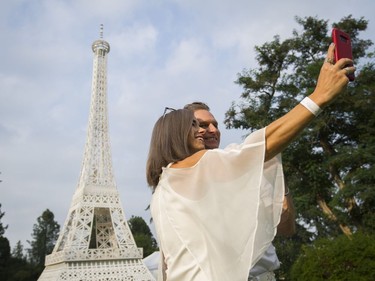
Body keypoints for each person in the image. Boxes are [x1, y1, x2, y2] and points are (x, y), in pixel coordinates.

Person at [146, 44, 355, 281]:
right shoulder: (192, 168)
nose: (209, 131)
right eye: (196, 126)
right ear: (175, 135)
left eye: (214, 124)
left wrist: (271, 173)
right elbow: (261, 143)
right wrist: (320, 95)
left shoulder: (166, 186)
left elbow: (286, 225)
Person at [183, 101, 295, 281]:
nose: (213, 130)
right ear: (184, 131)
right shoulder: (175, 181)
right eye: (203, 125)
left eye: (215, 125)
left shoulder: (243, 163)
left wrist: (280, 185)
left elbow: (287, 228)